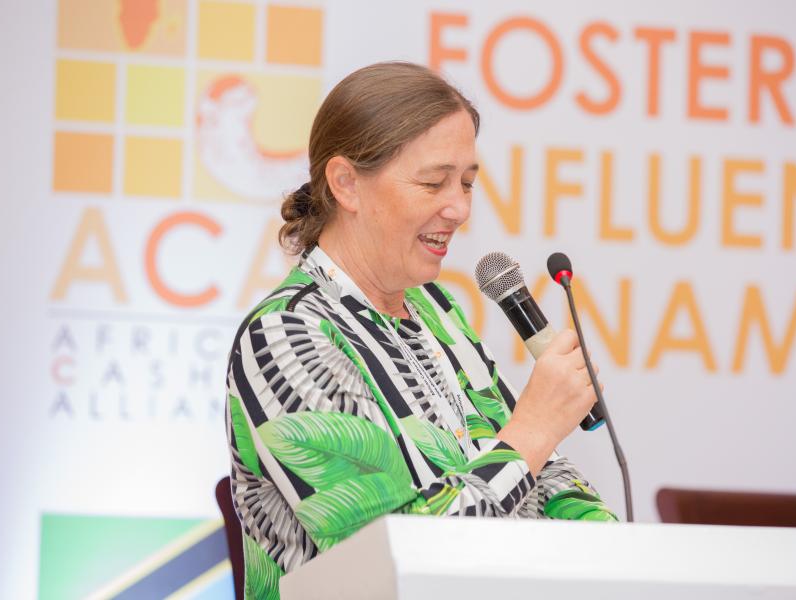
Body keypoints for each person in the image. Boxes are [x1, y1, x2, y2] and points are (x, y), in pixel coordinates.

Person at [225, 61, 617, 598]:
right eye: (434, 182)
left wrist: (631, 560)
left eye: (467, 184)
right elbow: (388, 558)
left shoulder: (437, 313)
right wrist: (534, 428)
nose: (459, 208)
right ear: (346, 184)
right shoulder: (285, 335)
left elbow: (540, 478)